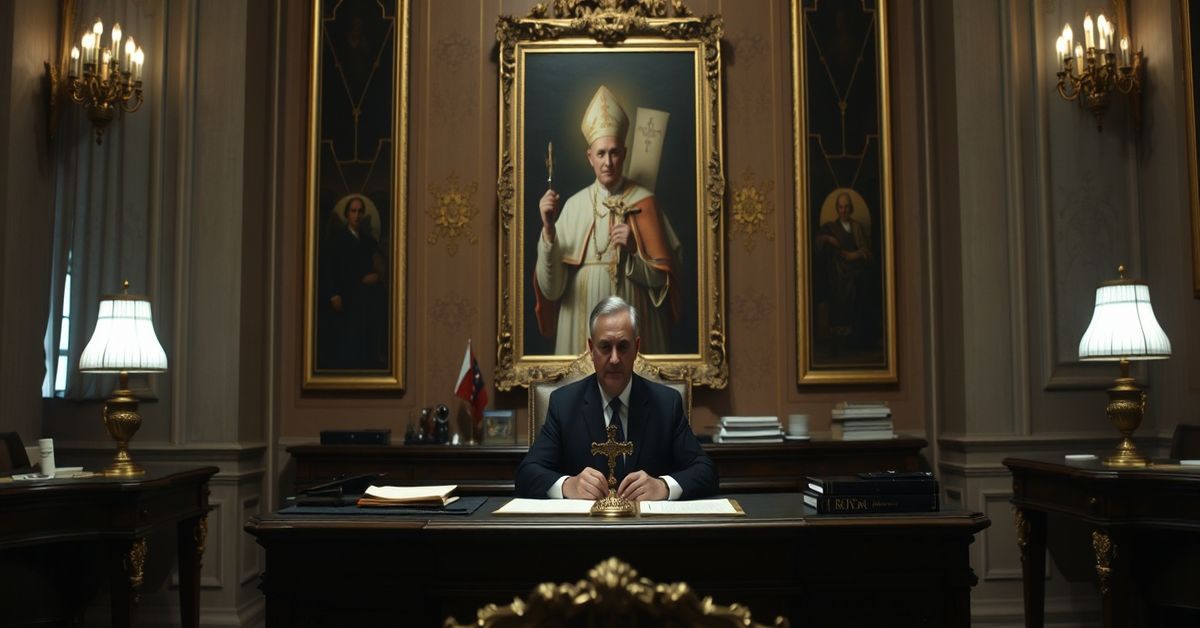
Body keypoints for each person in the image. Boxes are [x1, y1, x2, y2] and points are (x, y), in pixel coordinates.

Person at [516, 296, 717, 501]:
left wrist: (663, 486)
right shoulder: (564, 404)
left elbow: (706, 472)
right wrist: (568, 485)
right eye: (605, 346)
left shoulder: (666, 404)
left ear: (636, 347)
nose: (614, 359)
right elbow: (526, 474)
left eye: (623, 346)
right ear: (591, 349)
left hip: (646, 520)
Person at [534, 85, 680, 355]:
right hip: (580, 323)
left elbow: (665, 283)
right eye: (601, 154)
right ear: (590, 157)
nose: (608, 162)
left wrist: (635, 252)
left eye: (614, 152)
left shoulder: (644, 201)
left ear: (624, 153)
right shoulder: (574, 206)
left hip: (634, 319)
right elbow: (551, 289)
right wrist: (549, 230)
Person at [320, 195, 387, 369]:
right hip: (346, 295)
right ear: (347, 214)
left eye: (360, 211)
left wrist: (377, 275)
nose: (357, 215)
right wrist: (334, 294)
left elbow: (379, 264)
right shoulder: (337, 239)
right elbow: (330, 269)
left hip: (364, 296)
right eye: (353, 211)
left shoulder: (367, 240)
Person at [814, 191, 873, 348]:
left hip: (854, 269)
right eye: (841, 207)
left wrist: (854, 255)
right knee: (836, 287)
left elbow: (866, 252)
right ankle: (839, 338)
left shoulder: (856, 227)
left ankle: (856, 337)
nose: (844, 211)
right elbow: (817, 241)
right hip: (837, 273)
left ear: (851, 208)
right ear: (837, 209)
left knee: (859, 285)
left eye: (846, 207)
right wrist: (828, 238)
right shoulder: (831, 227)